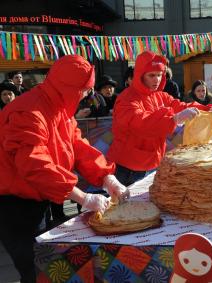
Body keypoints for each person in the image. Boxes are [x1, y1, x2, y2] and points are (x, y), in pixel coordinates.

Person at [0, 55, 129, 283]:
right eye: (85, 90)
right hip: (14, 204)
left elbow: (77, 146)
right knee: (35, 269)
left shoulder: (58, 105)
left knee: (45, 263)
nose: (88, 95)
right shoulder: (28, 111)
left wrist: (107, 177)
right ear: (71, 89)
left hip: (39, 196)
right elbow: (35, 165)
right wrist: (82, 197)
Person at [107, 51, 212, 186]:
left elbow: (180, 105)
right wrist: (174, 119)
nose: (157, 79)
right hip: (127, 167)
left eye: (159, 75)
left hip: (152, 161)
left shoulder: (160, 96)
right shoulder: (126, 99)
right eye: (152, 75)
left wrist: (208, 109)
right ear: (140, 76)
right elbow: (141, 123)